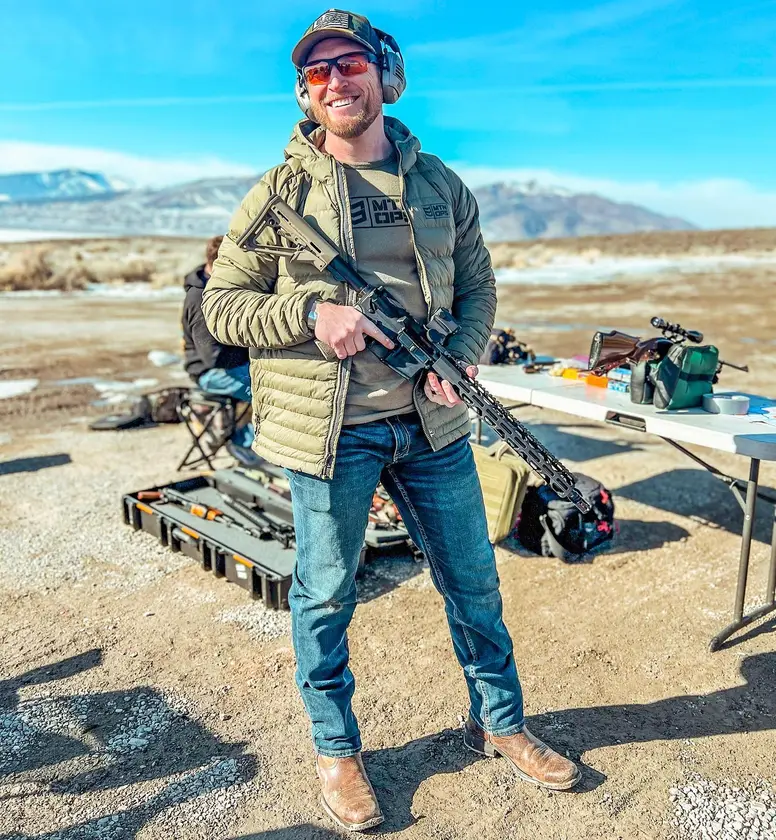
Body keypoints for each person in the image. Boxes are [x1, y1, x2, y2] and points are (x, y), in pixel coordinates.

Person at [202, 9, 581, 831]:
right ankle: (337, 751)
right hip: (331, 433)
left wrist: (462, 356)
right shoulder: (278, 195)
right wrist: (311, 315)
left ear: (385, 74)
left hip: (433, 427)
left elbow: (478, 286)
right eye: (318, 71)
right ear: (305, 94)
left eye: (350, 64)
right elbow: (221, 307)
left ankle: (500, 722)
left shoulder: (439, 184)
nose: (335, 81)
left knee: (474, 584)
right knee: (326, 596)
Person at [181, 235, 258, 465]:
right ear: (223, 263)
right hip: (209, 372)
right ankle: (241, 442)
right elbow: (214, 357)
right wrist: (250, 352)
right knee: (270, 393)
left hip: (230, 365)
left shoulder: (220, 288)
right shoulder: (200, 298)